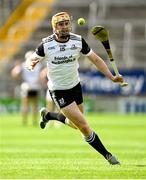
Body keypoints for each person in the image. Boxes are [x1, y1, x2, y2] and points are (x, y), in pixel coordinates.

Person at [25, 12, 124, 164]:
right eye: (60, 24)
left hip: (75, 86)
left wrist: (111, 77)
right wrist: (30, 64)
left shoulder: (78, 41)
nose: (64, 27)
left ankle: (49, 116)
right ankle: (108, 156)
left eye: (66, 23)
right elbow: (32, 59)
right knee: (84, 126)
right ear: (54, 27)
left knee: (75, 125)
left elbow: (96, 59)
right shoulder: (46, 44)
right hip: (58, 90)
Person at [11, 51, 42, 126]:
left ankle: (24, 121)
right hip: (35, 86)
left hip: (26, 86)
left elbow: (15, 73)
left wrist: (19, 79)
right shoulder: (38, 65)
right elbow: (41, 75)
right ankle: (34, 121)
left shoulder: (23, 65)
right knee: (35, 105)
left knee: (25, 105)